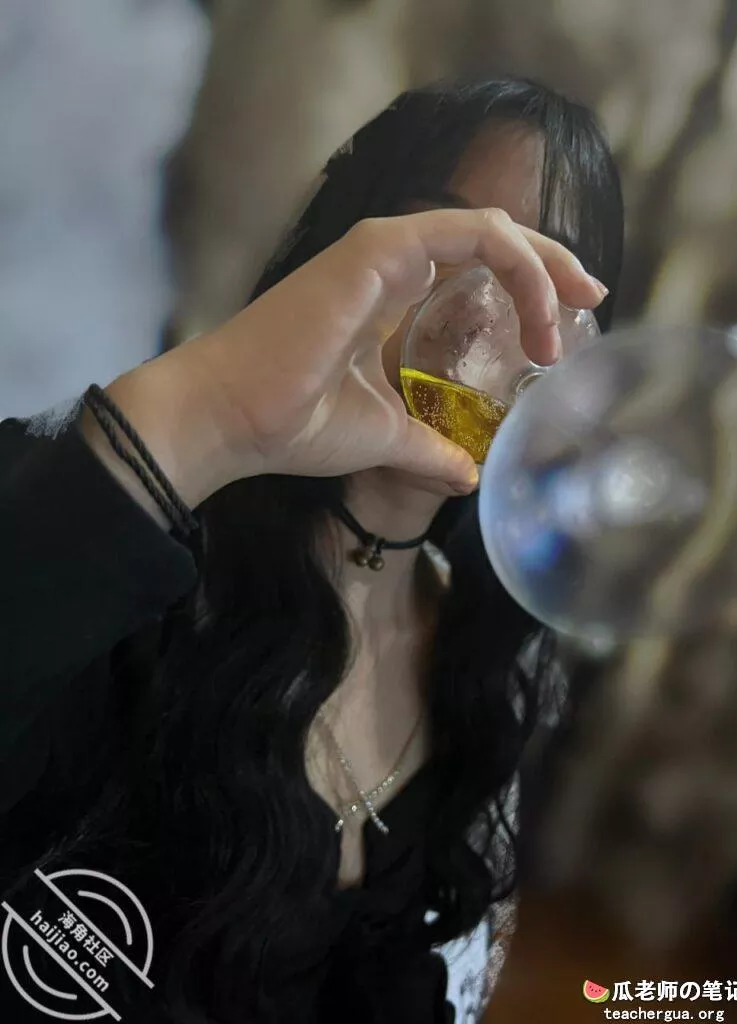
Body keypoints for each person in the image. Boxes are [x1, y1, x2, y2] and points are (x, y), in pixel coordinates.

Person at [0, 78, 622, 1024]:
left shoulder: (493, 678)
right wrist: (211, 420)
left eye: (549, 282)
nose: (486, 316)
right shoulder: (114, 516)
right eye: (460, 247)